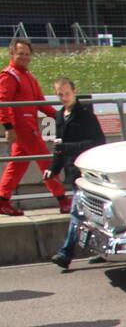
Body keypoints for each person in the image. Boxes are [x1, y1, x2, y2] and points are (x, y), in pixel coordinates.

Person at [0, 38, 69, 217]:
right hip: (23, 127)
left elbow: (40, 103)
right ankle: (63, 201)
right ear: (12, 54)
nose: (24, 57)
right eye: (20, 53)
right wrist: (8, 127)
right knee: (46, 162)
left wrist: (61, 116)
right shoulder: (9, 75)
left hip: (29, 125)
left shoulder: (28, 76)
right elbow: (3, 101)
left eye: (27, 54)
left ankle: (2, 200)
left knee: (17, 166)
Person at [45, 77, 104, 270]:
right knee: (89, 213)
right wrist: (53, 169)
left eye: (67, 93)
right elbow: (58, 147)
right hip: (72, 170)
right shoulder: (60, 115)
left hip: (86, 170)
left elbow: (97, 142)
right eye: (60, 94)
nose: (64, 97)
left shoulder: (86, 114)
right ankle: (101, 250)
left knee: (77, 211)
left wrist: (67, 147)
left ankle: (65, 252)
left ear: (74, 92)